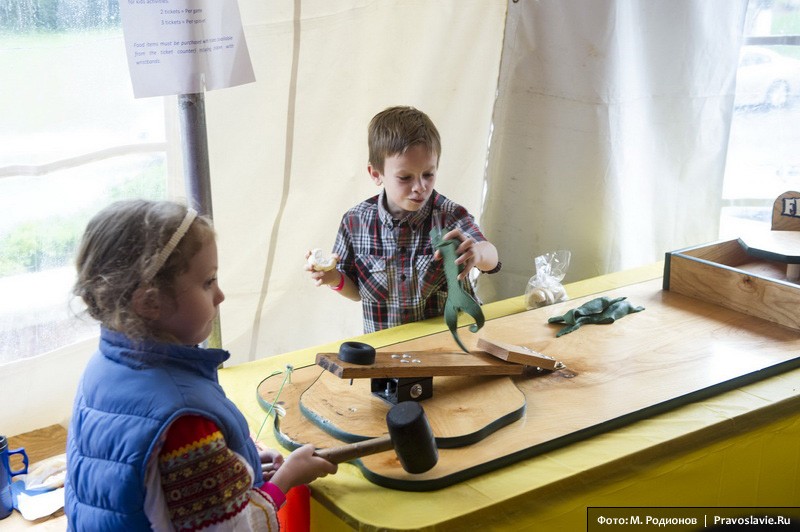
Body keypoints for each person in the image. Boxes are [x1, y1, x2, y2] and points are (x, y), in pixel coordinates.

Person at [66, 199, 337, 531]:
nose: (220, 295)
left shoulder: (102, 366)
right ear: (150, 302)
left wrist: (240, 466)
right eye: (208, 282)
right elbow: (235, 528)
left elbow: (156, 491)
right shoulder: (185, 421)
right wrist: (286, 477)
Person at [306, 105, 500, 333]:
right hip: (388, 353)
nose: (420, 187)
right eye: (405, 177)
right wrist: (333, 278)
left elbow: (492, 259)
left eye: (428, 174)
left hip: (449, 348)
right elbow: (356, 292)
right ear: (376, 174)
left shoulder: (450, 215)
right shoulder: (354, 222)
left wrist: (478, 253)